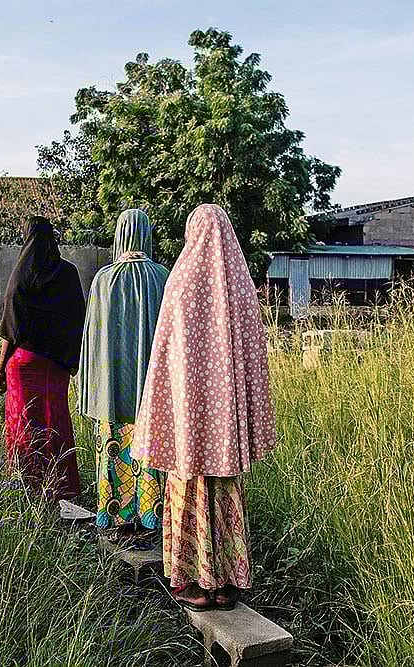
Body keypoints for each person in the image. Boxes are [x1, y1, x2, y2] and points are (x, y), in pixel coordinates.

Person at [132, 204, 276, 612]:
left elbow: (165, 362)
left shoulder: (180, 283)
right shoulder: (243, 289)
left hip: (188, 427)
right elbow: (254, 361)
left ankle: (194, 583)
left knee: (188, 492)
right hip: (224, 430)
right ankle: (226, 583)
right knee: (226, 492)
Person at [78, 209, 170, 544]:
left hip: (112, 390)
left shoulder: (103, 279)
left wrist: (90, 386)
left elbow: (91, 341)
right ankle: (151, 512)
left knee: (115, 447)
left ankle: (115, 512)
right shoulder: (162, 277)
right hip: (152, 389)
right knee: (153, 447)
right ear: (147, 234)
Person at [0, 216, 86, 501]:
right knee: (55, 419)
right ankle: (62, 486)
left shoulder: (22, 274)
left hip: (24, 364)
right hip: (56, 365)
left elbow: (11, 327)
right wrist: (72, 362)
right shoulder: (68, 274)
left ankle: (27, 487)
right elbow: (78, 321)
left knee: (25, 423)